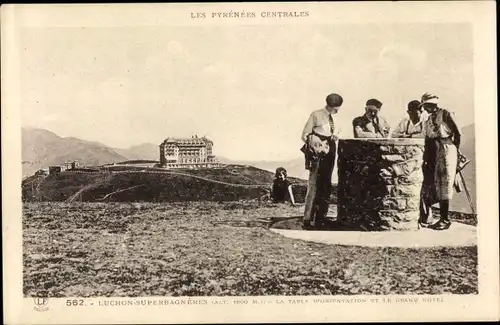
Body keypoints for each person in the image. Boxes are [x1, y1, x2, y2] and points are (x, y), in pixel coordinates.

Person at [419, 93, 461, 230]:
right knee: (438, 183)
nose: (424, 108)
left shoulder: (446, 114)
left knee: (447, 182)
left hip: (447, 148)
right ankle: (442, 218)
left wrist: (455, 150)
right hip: (435, 150)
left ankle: (445, 219)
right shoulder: (429, 119)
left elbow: (457, 133)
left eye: (425, 105)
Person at [300, 93, 343, 229]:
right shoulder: (316, 115)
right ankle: (308, 219)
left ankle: (321, 218)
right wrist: (317, 144)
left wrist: (336, 136)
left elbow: (339, 131)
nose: (337, 110)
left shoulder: (337, 118)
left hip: (330, 149)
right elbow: (305, 134)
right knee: (315, 184)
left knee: (326, 184)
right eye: (335, 108)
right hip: (317, 151)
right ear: (330, 106)